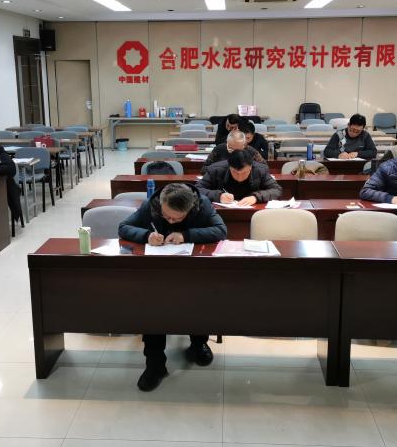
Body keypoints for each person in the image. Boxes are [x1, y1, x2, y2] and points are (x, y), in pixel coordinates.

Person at [118, 183, 227, 391]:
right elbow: (123, 227)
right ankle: (155, 363)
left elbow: (221, 230)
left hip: (193, 272)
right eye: (166, 216)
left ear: (190, 209)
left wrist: (185, 235)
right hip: (158, 274)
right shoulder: (152, 204)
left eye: (177, 219)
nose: (170, 221)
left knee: (200, 300)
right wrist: (147, 235)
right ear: (161, 205)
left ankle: (198, 344)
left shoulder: (202, 204)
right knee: (153, 307)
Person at [197, 149, 282, 205]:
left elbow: (277, 190)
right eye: (235, 172)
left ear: (251, 167)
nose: (240, 177)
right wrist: (218, 196)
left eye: (244, 172)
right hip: (222, 213)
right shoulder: (215, 169)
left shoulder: (260, 170)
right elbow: (197, 190)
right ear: (229, 167)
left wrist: (256, 197)